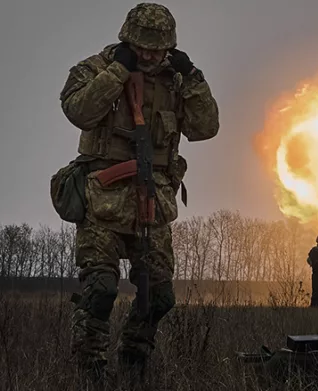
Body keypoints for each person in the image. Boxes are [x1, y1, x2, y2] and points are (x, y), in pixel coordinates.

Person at [58, 3, 220, 383]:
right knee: (100, 290)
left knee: (160, 297)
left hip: (154, 202)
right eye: (142, 48)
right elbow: (78, 111)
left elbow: (205, 127)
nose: (150, 55)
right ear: (127, 40)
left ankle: (133, 360)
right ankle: (90, 370)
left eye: (158, 49)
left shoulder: (178, 80)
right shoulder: (97, 68)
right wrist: (118, 71)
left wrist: (193, 77)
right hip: (103, 202)